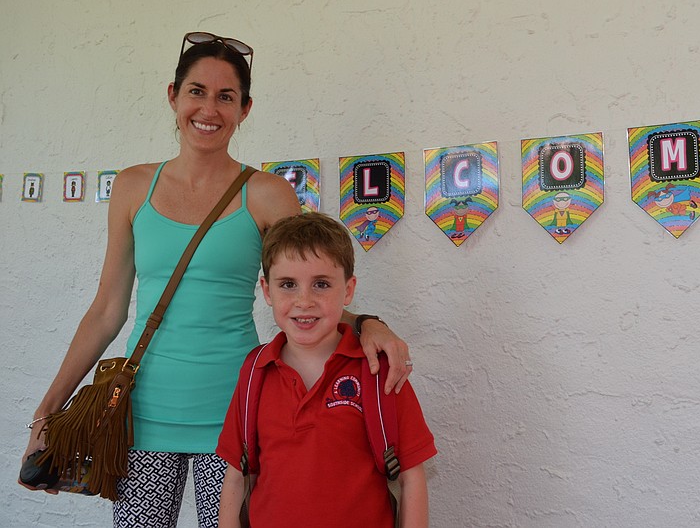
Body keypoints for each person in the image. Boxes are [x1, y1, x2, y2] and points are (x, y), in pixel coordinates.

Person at [20, 32, 413, 528]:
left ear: (245, 109)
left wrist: (369, 323)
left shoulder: (267, 195)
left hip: (237, 414)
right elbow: (106, 310)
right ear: (173, 95)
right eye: (197, 91)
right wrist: (47, 410)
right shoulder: (133, 187)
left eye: (226, 96)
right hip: (141, 414)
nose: (209, 108)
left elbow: (308, 293)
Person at [217, 212, 436, 528]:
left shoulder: (379, 372)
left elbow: (412, 476)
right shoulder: (255, 373)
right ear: (266, 291)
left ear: (348, 291)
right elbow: (236, 478)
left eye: (321, 284)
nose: (304, 301)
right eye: (288, 284)